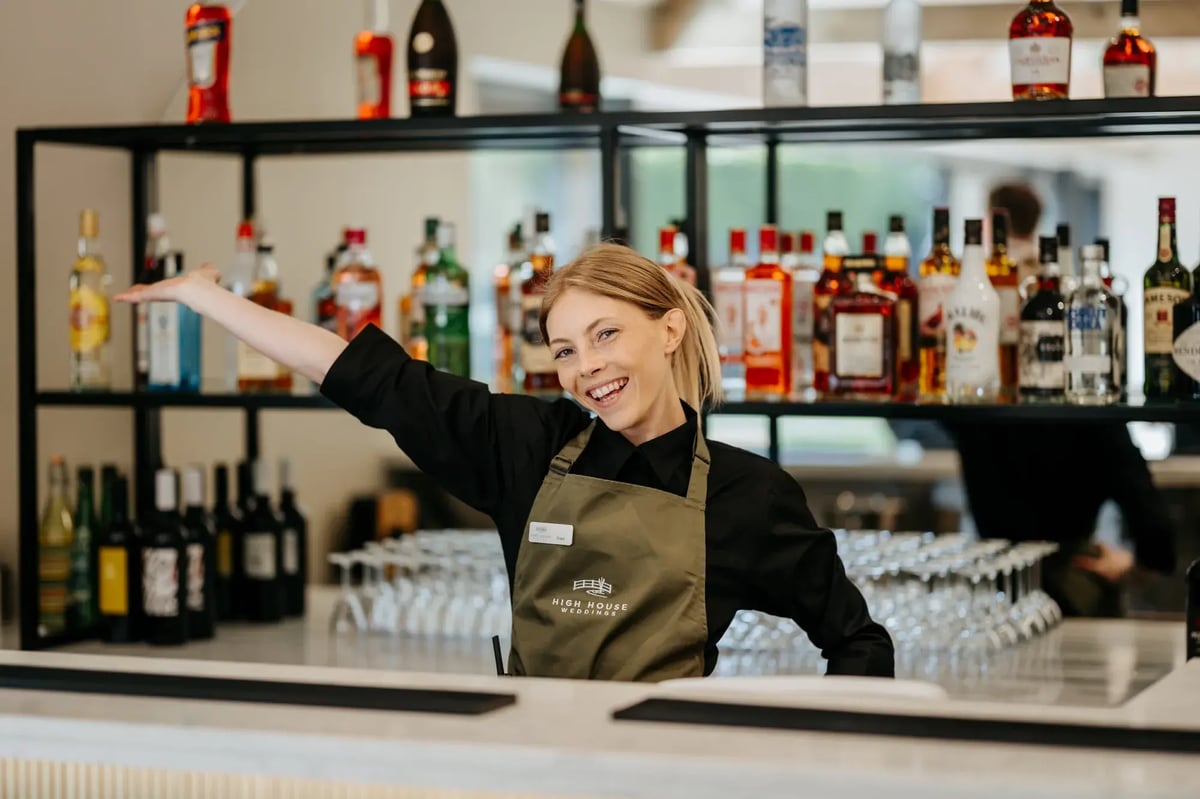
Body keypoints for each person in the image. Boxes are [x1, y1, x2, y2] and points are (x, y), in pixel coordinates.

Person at [116, 242, 894, 682]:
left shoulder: (748, 493)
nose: (585, 366)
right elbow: (364, 376)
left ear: (668, 331)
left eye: (605, 334)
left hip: (663, 774)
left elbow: (859, 642)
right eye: (564, 348)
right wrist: (204, 300)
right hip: (527, 767)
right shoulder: (527, 445)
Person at [949, 183, 1177, 617]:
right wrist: (1140, 564)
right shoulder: (1080, 400)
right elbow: (1152, 521)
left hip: (993, 592)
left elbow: (909, 420)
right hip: (1072, 587)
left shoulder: (977, 389)